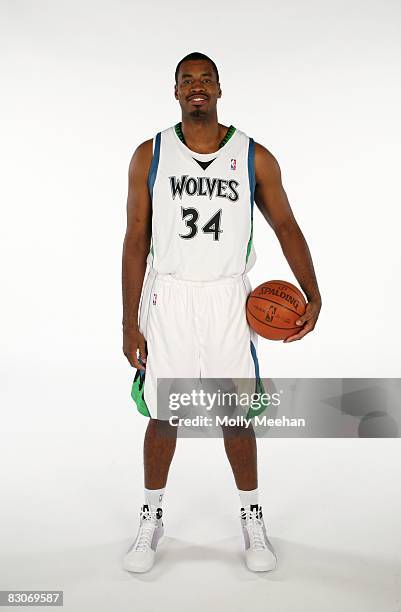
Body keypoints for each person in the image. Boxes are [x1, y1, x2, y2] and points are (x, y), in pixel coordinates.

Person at [121, 52, 321, 573]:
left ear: (219, 88)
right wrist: (128, 321)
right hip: (169, 295)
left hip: (229, 297)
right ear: (175, 91)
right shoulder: (151, 154)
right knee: (166, 414)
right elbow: (135, 238)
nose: (196, 87)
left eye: (205, 79)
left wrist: (312, 289)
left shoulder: (254, 156)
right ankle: (151, 517)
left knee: (235, 414)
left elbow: (287, 225)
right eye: (187, 80)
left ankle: (252, 518)